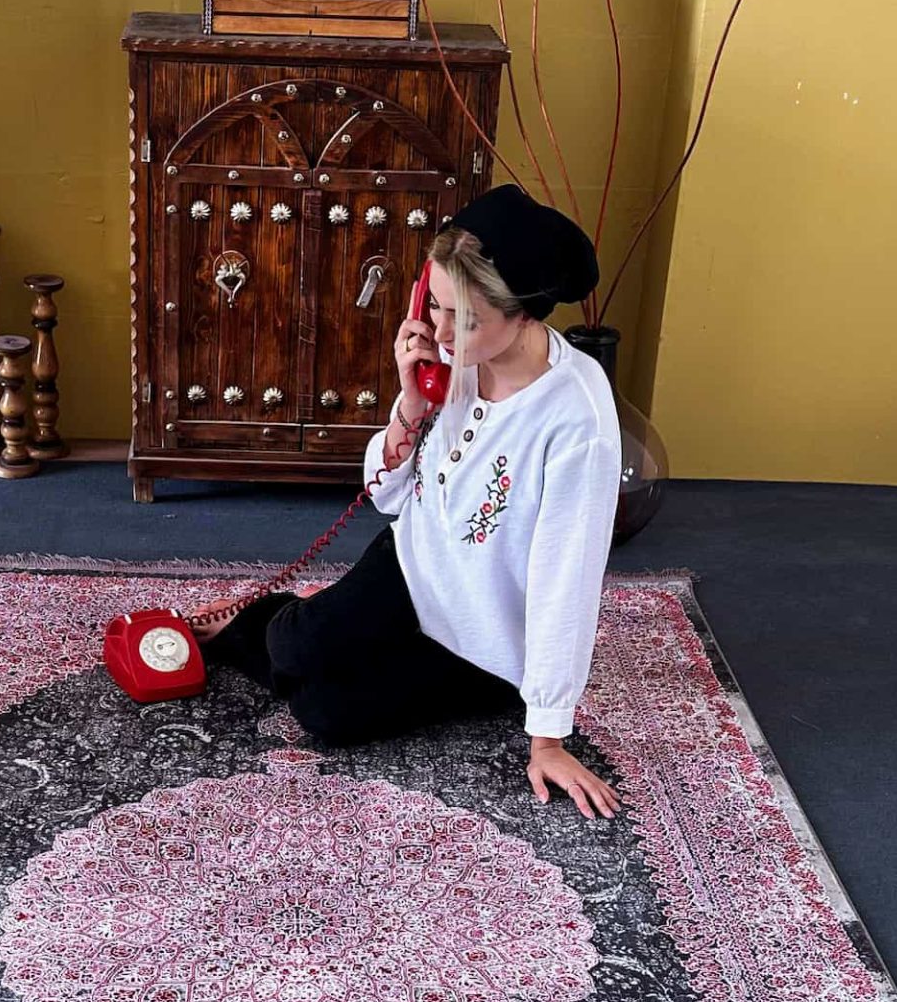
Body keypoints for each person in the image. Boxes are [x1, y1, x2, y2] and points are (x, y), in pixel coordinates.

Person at [203, 184, 622, 819]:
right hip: (409, 564)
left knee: (326, 714)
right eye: (436, 306)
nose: (443, 333)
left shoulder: (576, 417)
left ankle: (313, 618)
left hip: (482, 629)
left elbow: (568, 577)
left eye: (466, 319)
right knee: (293, 649)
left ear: (524, 315)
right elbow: (388, 495)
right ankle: (273, 616)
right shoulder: (454, 359)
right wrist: (414, 401)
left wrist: (548, 737)